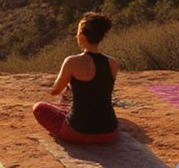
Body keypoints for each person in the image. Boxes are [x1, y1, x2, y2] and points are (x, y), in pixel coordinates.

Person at [33, 12, 120, 144]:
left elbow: (55, 91)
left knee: (39, 108)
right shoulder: (113, 63)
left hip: (77, 132)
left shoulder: (72, 62)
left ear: (81, 36)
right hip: (109, 133)